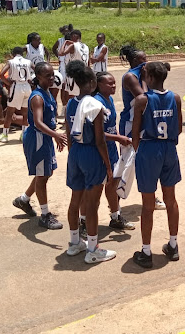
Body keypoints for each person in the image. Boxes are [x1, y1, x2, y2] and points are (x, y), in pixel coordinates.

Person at [64, 60, 117, 264]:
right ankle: (93, 249)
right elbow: (100, 139)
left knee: (75, 200)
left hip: (75, 152)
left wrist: (73, 156)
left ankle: (75, 242)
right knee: (92, 204)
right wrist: (108, 165)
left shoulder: (71, 103)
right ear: (92, 82)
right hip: (91, 153)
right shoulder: (95, 104)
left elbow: (69, 134)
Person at [131, 62, 182, 269]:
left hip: (149, 149)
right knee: (171, 199)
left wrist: (139, 151)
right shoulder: (175, 98)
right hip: (169, 149)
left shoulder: (142, 100)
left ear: (150, 78)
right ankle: (173, 244)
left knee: (148, 203)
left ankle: (146, 251)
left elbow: (135, 132)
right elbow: (178, 129)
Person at [12, 62, 68, 230]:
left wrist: (54, 135)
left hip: (45, 138)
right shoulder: (37, 97)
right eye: (48, 76)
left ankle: (24, 199)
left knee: (46, 172)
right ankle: (45, 215)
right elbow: (37, 122)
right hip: (37, 138)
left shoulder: (48, 92)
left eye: (53, 74)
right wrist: (56, 135)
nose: (52, 78)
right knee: (42, 175)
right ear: (38, 77)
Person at [118, 45, 166, 210]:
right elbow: (144, 98)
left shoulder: (146, 75)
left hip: (143, 121)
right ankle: (115, 206)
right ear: (134, 61)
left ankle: (151, 197)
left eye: (146, 58)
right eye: (142, 59)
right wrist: (146, 78)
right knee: (126, 164)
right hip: (130, 124)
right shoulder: (130, 77)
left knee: (145, 161)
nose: (146, 61)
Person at [93, 71, 135, 230]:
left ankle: (115, 217)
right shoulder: (97, 103)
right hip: (99, 149)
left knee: (113, 183)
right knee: (96, 187)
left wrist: (120, 137)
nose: (113, 85)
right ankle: (84, 221)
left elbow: (111, 127)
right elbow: (97, 134)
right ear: (98, 85)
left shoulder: (109, 99)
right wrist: (118, 138)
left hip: (111, 148)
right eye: (109, 83)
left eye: (114, 82)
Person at [0, 47, 34, 143]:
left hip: (16, 87)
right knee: (25, 112)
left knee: (10, 112)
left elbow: (1, 74)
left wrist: (8, 83)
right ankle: (24, 135)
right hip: (27, 87)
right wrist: (32, 81)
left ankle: (5, 135)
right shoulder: (28, 62)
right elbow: (38, 70)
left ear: (13, 53)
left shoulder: (11, 62)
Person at [58, 29, 90, 101]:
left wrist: (65, 42)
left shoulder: (73, 45)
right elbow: (88, 62)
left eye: (71, 36)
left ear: (75, 36)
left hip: (73, 74)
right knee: (80, 94)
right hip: (83, 74)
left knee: (72, 96)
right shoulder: (86, 46)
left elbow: (60, 53)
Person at [51, 24, 73, 113]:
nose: (66, 32)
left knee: (69, 87)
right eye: (64, 31)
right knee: (62, 87)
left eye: (67, 30)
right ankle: (64, 107)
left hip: (70, 66)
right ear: (62, 32)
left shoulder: (72, 41)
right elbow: (53, 49)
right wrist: (59, 57)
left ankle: (67, 107)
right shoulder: (60, 41)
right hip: (62, 67)